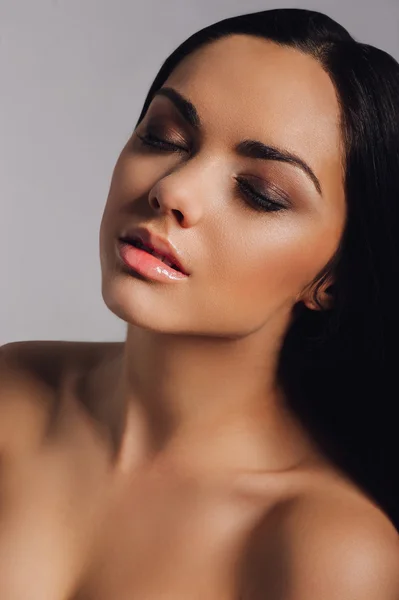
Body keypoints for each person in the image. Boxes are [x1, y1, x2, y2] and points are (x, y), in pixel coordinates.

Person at [1, 6, 399, 599]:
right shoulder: (11, 395)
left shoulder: (330, 550)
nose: (171, 190)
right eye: (163, 137)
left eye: (261, 194)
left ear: (331, 280)